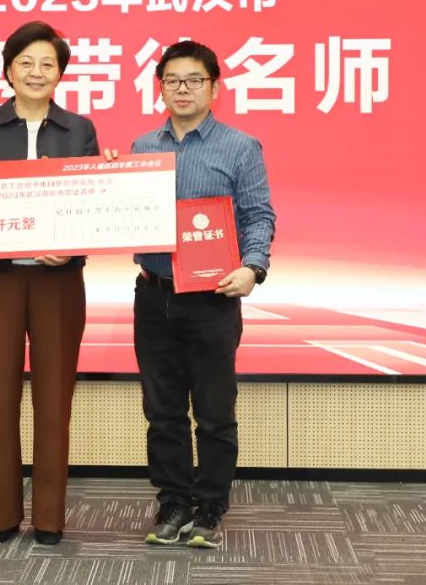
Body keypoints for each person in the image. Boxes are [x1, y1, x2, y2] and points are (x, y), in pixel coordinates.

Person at [0, 21, 114, 546]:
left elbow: (92, 207)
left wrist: (73, 247)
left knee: (55, 396)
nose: (37, 73)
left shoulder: (80, 130)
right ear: (8, 70)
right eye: (26, 63)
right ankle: (1, 513)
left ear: (60, 74)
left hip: (57, 281)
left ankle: (49, 517)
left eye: (48, 64)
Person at [130, 40, 276, 549]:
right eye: (172, 80)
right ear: (160, 87)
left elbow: (258, 215)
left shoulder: (241, 146)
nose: (183, 89)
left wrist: (253, 268)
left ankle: (210, 507)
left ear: (214, 86)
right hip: (154, 296)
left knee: (214, 412)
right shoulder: (142, 148)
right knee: (162, 410)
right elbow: (125, 214)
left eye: (194, 79)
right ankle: (173, 503)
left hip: (213, 298)